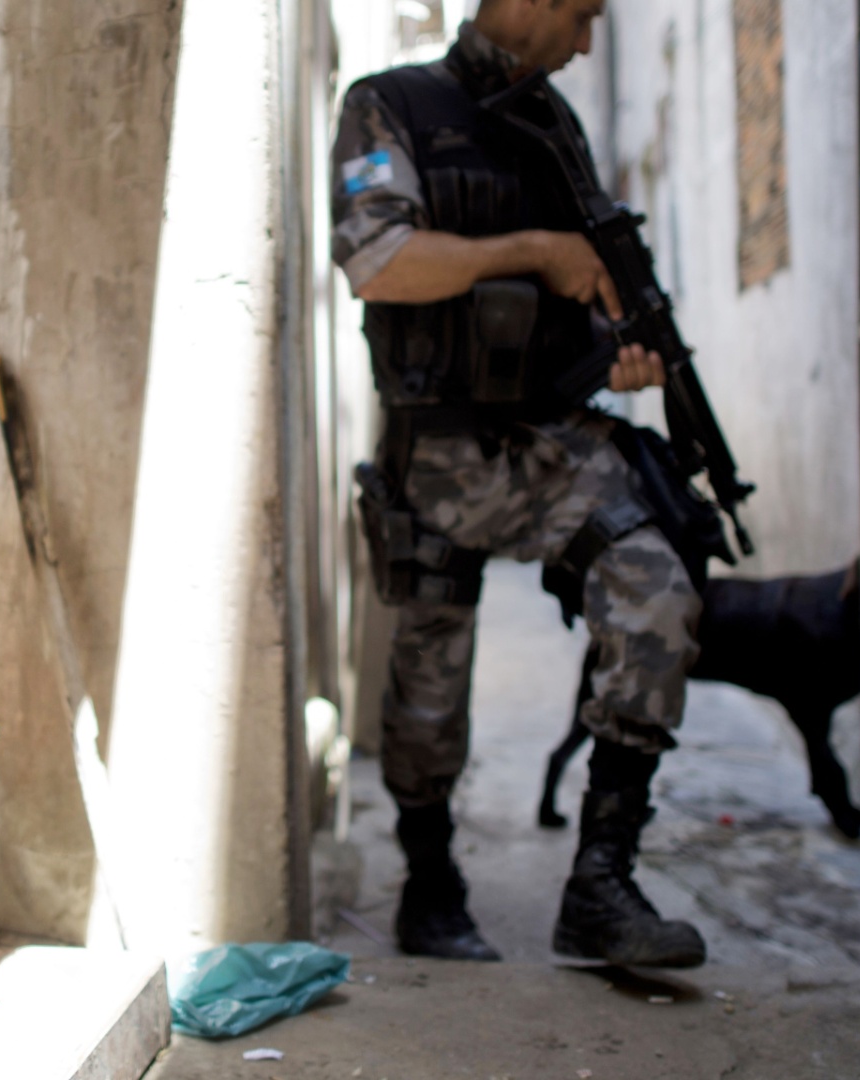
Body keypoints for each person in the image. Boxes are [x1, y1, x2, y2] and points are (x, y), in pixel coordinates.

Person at [333, 0, 707, 967]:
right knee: (428, 685)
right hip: (440, 449)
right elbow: (378, 263)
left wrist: (617, 352)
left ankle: (601, 884)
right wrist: (534, 251)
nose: (587, 41)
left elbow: (581, 291)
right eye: (581, 14)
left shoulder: (552, 122)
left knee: (658, 590)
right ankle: (431, 880)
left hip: (550, 440)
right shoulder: (389, 107)